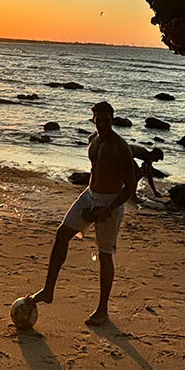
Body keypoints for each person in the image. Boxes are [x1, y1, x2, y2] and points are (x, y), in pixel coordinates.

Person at [31, 100, 138, 326]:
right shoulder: (93, 142)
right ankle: (48, 290)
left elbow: (129, 188)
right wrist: (92, 203)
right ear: (94, 120)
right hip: (89, 195)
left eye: (107, 120)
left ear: (113, 120)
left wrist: (107, 210)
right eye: (99, 120)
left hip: (111, 202)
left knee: (105, 254)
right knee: (61, 234)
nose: (103, 124)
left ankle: (102, 310)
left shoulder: (121, 148)